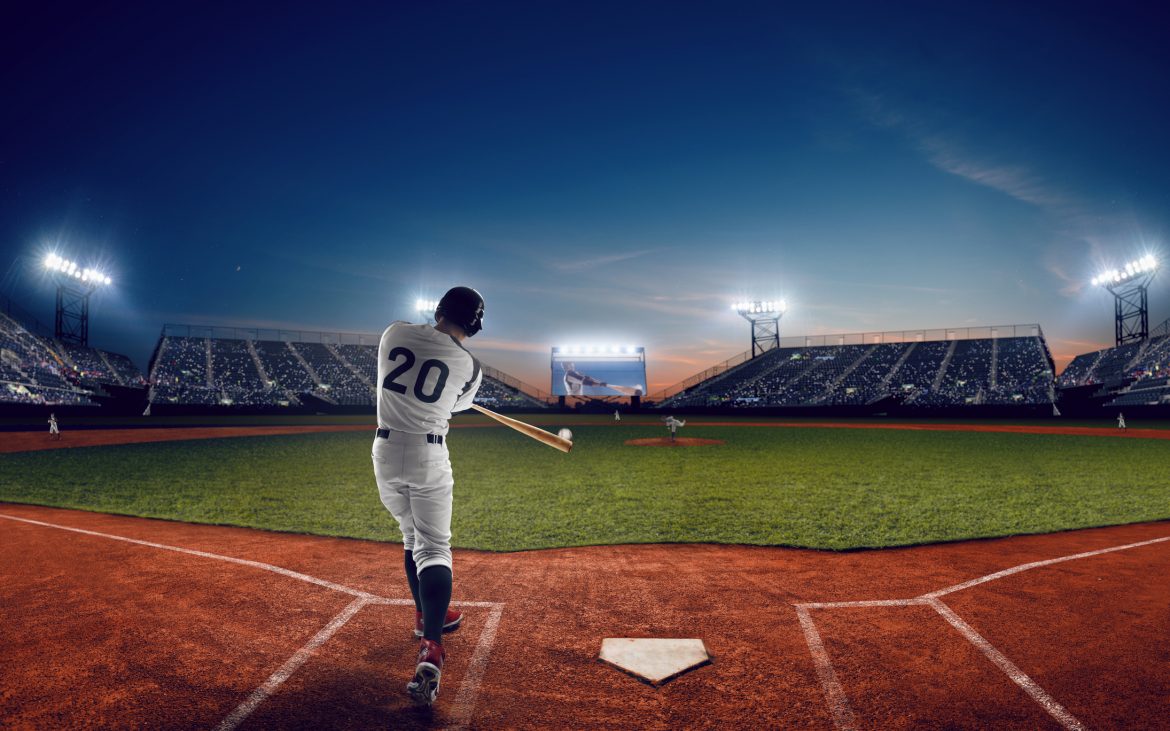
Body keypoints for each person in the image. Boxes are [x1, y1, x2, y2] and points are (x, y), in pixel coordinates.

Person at [372, 286, 485, 706]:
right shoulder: (470, 366)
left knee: (409, 534)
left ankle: (425, 616)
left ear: (439, 309)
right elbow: (454, 405)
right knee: (434, 547)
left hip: (384, 449)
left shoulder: (393, 333)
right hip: (428, 451)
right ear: (475, 322)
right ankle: (432, 645)